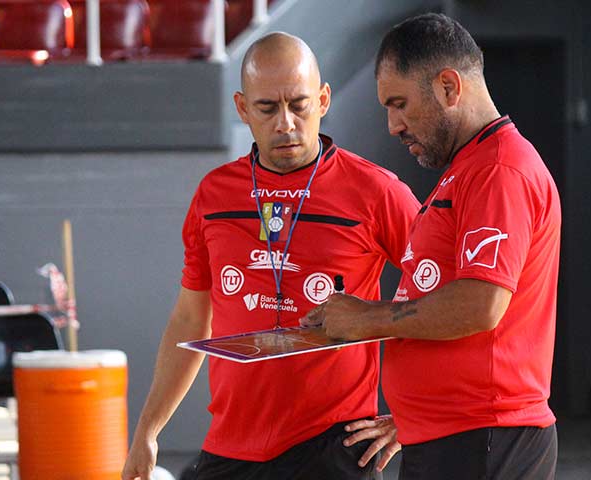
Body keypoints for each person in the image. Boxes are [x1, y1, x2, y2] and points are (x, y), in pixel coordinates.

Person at [122, 32, 419, 480]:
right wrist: (148, 430)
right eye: (267, 108)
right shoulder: (213, 195)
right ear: (242, 109)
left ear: (322, 100)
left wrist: (410, 416)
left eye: (299, 104)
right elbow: (189, 318)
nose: (285, 123)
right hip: (232, 446)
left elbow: (443, 303)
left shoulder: (378, 192)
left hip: (333, 447)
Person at [302, 13, 561, 480]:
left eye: (399, 104)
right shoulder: (468, 170)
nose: (392, 125)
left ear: (447, 87)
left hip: (483, 440)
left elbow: (481, 305)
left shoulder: (499, 170)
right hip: (453, 439)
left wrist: (365, 318)